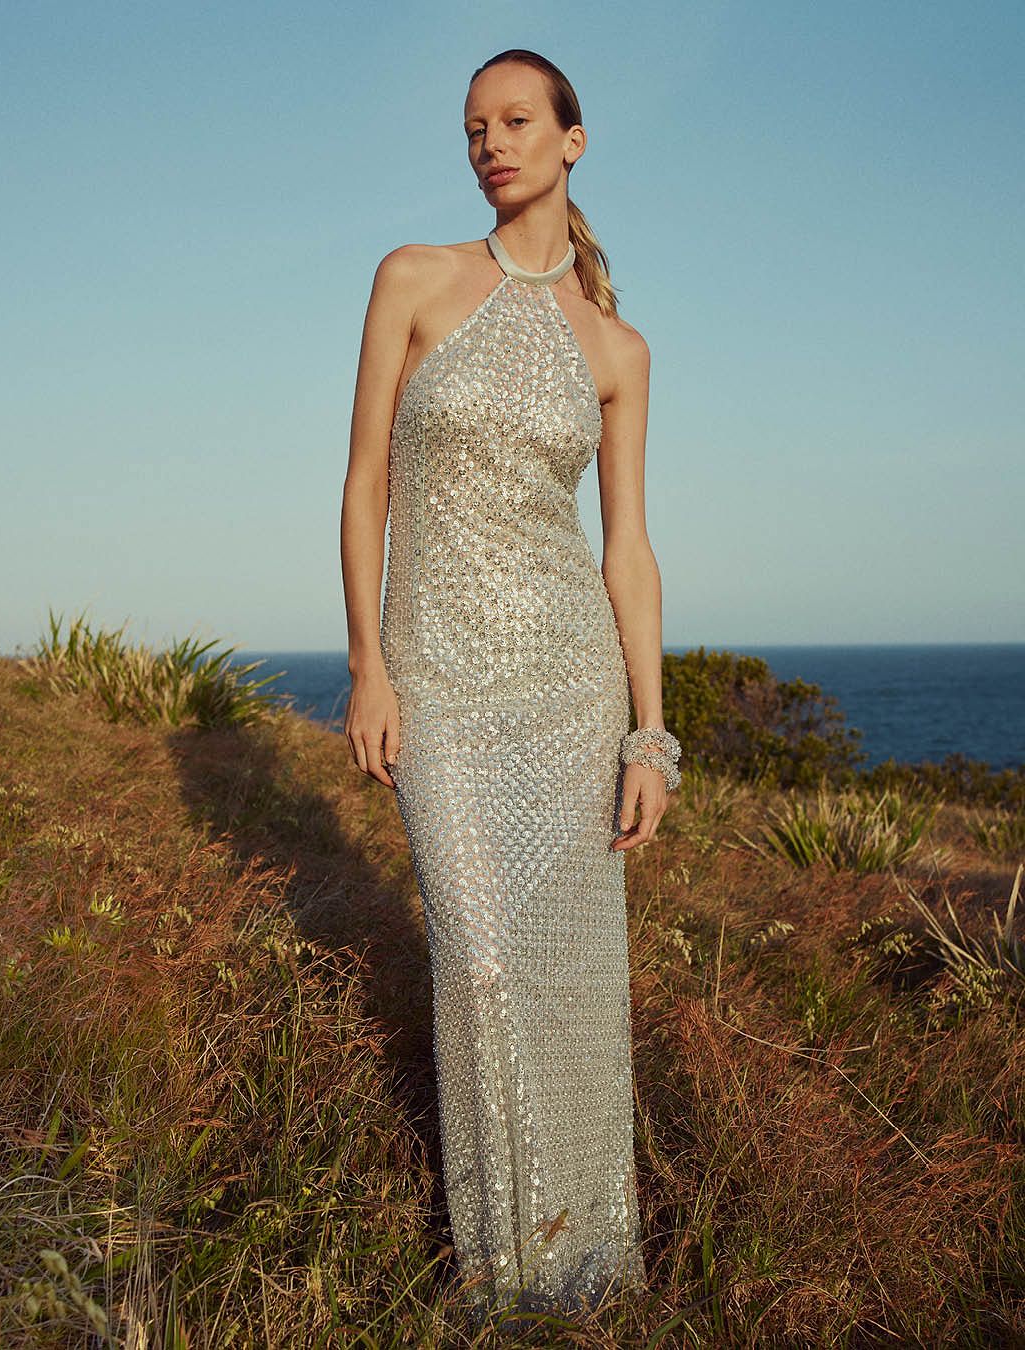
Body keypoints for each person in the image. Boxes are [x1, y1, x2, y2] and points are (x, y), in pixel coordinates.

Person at [340, 48, 681, 1326]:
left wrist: (651, 734)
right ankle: (506, 1289)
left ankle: (586, 1284)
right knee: (480, 966)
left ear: (573, 140)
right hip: (437, 680)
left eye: (517, 121)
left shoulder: (619, 348)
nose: (491, 142)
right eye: (474, 126)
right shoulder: (415, 281)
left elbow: (627, 550)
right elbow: (365, 478)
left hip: (569, 689)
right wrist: (370, 661)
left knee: (571, 984)